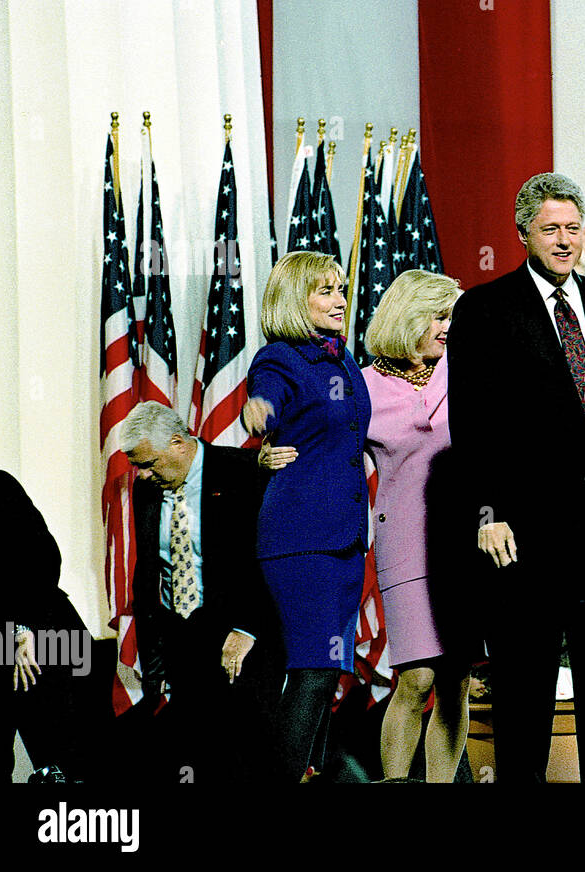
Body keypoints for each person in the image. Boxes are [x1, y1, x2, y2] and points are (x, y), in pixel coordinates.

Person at [447, 172, 585, 782]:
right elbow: (472, 424)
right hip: (522, 532)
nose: (564, 241)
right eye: (550, 229)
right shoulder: (485, 309)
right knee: (525, 685)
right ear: (523, 234)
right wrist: (488, 514)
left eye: (573, 228)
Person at [243, 250, 372, 782]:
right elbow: (263, 401)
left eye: (341, 288)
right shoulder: (279, 358)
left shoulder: (341, 358)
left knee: (327, 672)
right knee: (313, 667)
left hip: (344, 539)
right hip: (300, 537)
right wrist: (259, 416)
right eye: (325, 291)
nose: (340, 300)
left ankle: (309, 776)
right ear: (296, 300)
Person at [121, 401, 285, 783]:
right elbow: (147, 572)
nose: (142, 475)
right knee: (195, 760)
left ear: (178, 443)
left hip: (241, 640)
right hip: (181, 641)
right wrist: (154, 658)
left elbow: (267, 559)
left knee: (248, 758)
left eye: (149, 463)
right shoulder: (148, 489)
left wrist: (247, 628)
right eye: (137, 465)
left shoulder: (242, 472)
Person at [361, 269, 473, 782]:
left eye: (452, 314)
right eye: (438, 315)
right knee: (417, 676)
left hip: (467, 543)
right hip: (405, 543)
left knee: (456, 678)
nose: (448, 326)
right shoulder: (361, 386)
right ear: (407, 317)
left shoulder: (468, 368)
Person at [0, 470, 95, 782]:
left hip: (45, 631)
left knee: (71, 755)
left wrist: (23, 628)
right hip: (4, 637)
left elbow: (44, 557)